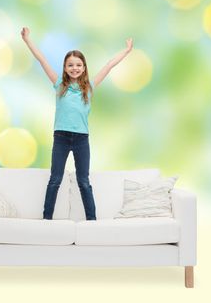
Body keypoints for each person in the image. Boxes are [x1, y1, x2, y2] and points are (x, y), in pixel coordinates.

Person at [20, 27, 133, 220]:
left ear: (84, 68)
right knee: (55, 179)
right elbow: (42, 60)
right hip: (61, 138)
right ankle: (46, 219)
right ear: (65, 68)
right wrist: (27, 40)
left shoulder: (89, 87)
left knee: (84, 181)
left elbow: (108, 65)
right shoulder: (59, 85)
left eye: (78, 65)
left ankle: (92, 221)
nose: (74, 68)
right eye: (70, 65)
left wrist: (126, 51)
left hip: (81, 139)